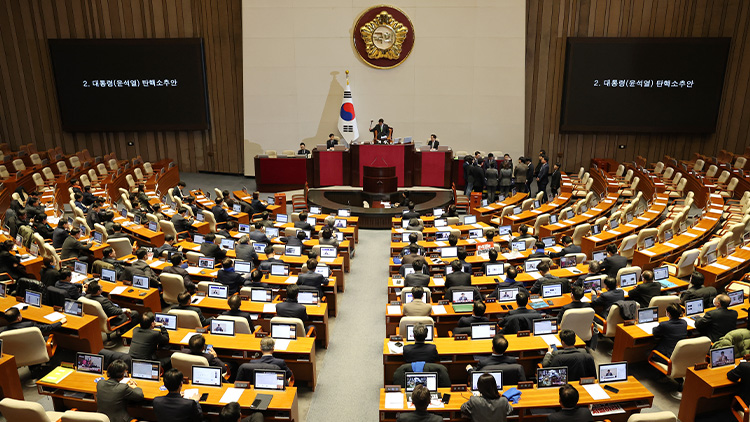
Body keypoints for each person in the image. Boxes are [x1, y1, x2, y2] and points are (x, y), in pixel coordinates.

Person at [0, 307, 65, 335]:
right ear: (18, 318)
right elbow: (47, 328)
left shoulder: (2, 331)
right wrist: (60, 322)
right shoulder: (29, 325)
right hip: (33, 346)